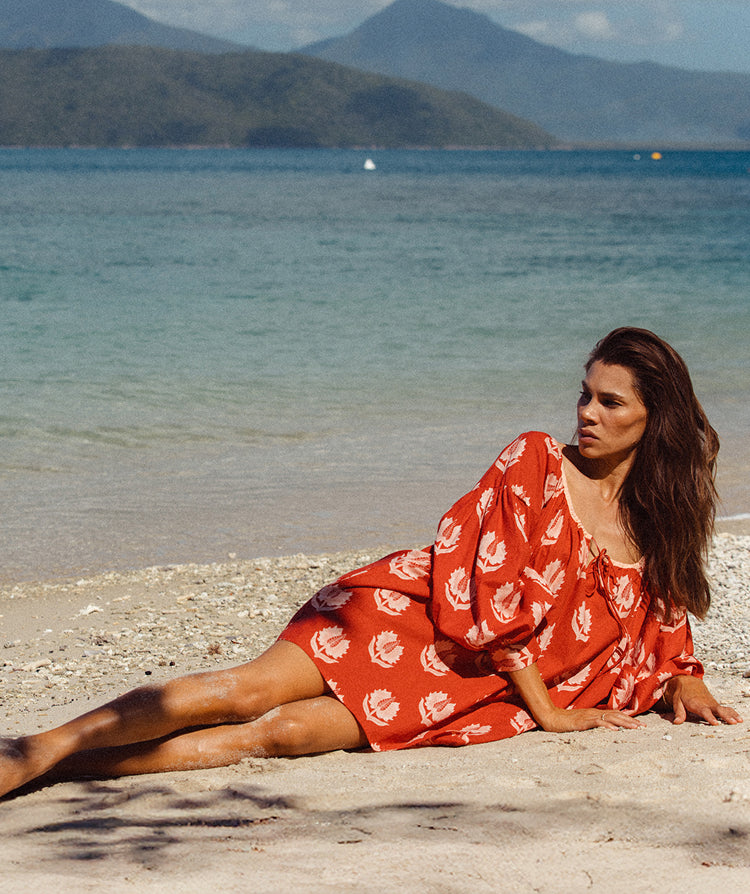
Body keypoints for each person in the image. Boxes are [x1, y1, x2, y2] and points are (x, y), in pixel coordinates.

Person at [1, 327, 742, 798]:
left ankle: (63, 768)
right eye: (584, 395)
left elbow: (662, 618)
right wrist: (547, 711)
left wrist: (683, 677)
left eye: (611, 403)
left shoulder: (657, 525)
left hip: (472, 686)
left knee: (279, 736)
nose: (586, 413)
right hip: (406, 617)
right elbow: (491, 594)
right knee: (244, 690)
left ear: (655, 419)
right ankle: (34, 752)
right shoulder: (537, 462)